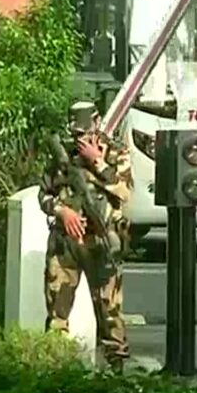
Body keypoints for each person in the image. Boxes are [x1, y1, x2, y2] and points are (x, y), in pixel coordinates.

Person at [39, 101, 133, 373]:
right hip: (65, 244)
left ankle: (117, 376)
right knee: (57, 313)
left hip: (101, 244)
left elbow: (125, 191)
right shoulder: (61, 154)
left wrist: (98, 161)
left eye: (86, 130)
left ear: (97, 122)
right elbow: (44, 194)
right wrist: (62, 211)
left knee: (109, 313)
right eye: (76, 132)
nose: (81, 137)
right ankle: (56, 375)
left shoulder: (116, 151)